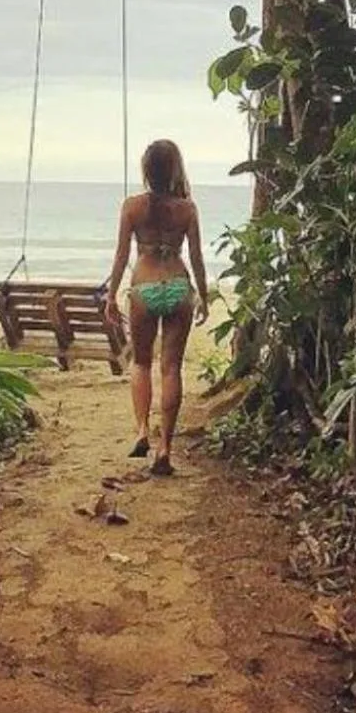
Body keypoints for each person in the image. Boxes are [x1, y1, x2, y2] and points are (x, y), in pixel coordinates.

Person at [105, 139, 209, 475]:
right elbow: (196, 257)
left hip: (144, 287)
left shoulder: (132, 206)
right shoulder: (187, 209)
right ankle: (165, 448)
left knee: (141, 362)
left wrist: (110, 295)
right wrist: (204, 295)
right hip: (178, 286)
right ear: (176, 169)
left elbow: (121, 255)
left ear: (146, 170)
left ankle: (141, 431)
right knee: (171, 368)